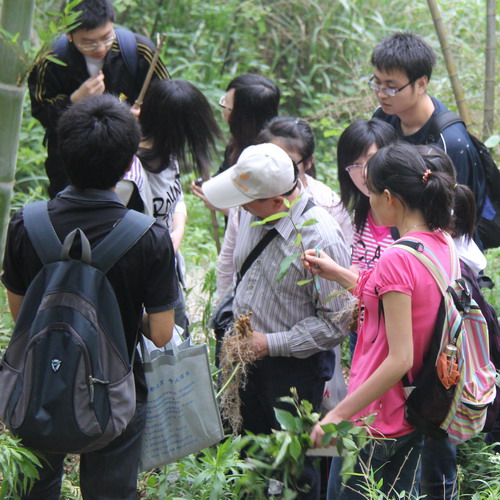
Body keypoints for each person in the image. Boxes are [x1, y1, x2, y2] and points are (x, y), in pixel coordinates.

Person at [1, 94, 179, 499]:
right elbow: (162, 333)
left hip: (36, 380)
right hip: (115, 389)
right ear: (128, 163)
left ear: (63, 152)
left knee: (34, 489)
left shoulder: (25, 223)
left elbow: (19, 313)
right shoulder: (149, 237)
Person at [304, 141, 476, 499]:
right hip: (415, 411)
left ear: (389, 197)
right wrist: (337, 272)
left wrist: (336, 415)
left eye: (370, 193)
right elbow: (399, 301)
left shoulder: (397, 258)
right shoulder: (440, 241)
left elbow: (400, 358)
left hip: (373, 420)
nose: (367, 201)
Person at [202, 142, 353, 498]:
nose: (240, 207)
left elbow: (336, 323)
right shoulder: (250, 214)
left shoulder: (319, 237)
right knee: (247, 454)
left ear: (276, 201)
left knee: (296, 468)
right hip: (244, 361)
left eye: (248, 201)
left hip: (294, 373)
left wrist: (270, 343)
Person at [28, 0, 169, 198]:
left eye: (106, 37)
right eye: (88, 42)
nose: (100, 47)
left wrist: (143, 116)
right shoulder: (51, 59)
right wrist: (74, 100)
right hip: (71, 162)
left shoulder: (138, 51)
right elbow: (40, 110)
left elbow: (166, 100)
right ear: (69, 35)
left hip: (130, 159)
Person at [116, 79, 222, 335]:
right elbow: (112, 232)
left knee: (178, 340)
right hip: (139, 280)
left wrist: (177, 233)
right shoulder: (129, 176)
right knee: (161, 343)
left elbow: (176, 200)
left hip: (166, 270)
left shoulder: (167, 152)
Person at [216, 116, 353, 301]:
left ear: (308, 162)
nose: (273, 167)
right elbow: (228, 262)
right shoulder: (248, 202)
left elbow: (336, 303)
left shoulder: (326, 212)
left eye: (285, 161)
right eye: (267, 158)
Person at [369, 32, 486, 243]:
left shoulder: (451, 142)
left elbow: (462, 216)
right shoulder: (383, 118)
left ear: (421, 84)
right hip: (396, 241)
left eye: (391, 87)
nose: (381, 94)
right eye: (377, 83)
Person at [190, 73, 280, 215]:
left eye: (227, 104)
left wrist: (220, 205)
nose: (223, 107)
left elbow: (267, 214)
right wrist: (209, 185)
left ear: (241, 115)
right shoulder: (237, 143)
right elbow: (225, 174)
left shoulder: (269, 158)